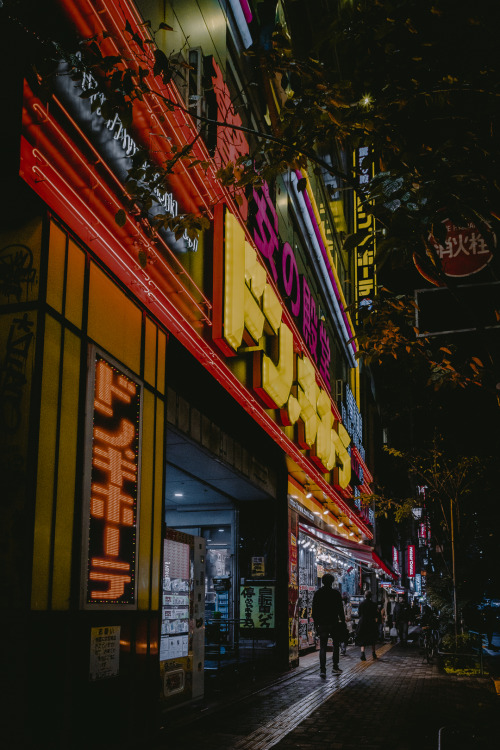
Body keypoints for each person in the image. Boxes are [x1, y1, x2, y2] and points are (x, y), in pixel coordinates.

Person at [312, 573, 346, 677]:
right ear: (332, 582)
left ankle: (322, 670)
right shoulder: (335, 594)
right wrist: (343, 621)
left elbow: (314, 610)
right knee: (336, 645)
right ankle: (335, 667)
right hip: (334, 623)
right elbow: (340, 610)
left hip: (322, 624)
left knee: (323, 646)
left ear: (322, 582)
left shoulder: (318, 593)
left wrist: (316, 624)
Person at [355, 590, 380, 661]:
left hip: (363, 622)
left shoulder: (361, 604)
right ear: (371, 596)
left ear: (365, 596)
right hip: (371, 622)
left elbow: (359, 614)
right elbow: (376, 614)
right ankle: (373, 653)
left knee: (362, 637)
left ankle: (362, 653)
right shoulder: (374, 604)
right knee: (372, 638)